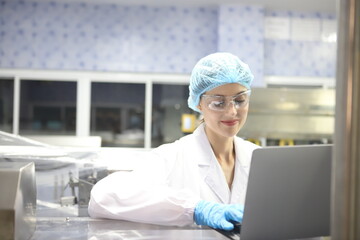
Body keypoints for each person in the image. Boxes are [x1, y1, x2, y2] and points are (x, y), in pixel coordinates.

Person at [88, 52, 260, 231]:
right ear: (199, 104)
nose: (232, 112)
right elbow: (103, 198)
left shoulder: (257, 157)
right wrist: (194, 209)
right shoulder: (174, 156)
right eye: (218, 103)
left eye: (239, 100)